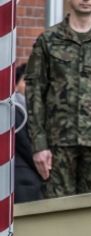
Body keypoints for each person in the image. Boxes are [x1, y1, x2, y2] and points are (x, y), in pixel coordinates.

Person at [25, 0, 91, 198]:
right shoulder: (48, 40)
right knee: (57, 211)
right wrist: (39, 145)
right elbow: (35, 94)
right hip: (57, 144)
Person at [14, 64, 43, 203]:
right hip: (23, 184)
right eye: (27, 81)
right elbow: (27, 148)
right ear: (15, 85)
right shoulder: (15, 111)